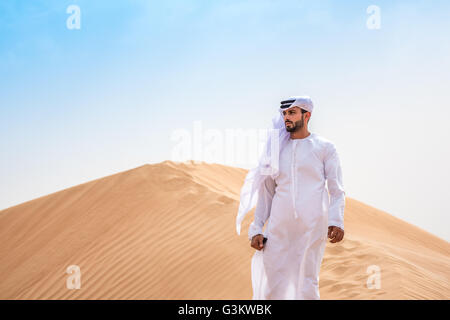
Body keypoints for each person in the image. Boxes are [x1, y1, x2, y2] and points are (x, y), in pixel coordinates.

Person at [235, 95, 346, 299]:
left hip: (312, 226)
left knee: (306, 281)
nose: (287, 117)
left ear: (307, 115)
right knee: (272, 282)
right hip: (278, 227)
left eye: (292, 113)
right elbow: (267, 193)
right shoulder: (275, 150)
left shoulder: (324, 147)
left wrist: (336, 220)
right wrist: (257, 228)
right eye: (285, 113)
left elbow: (336, 188)